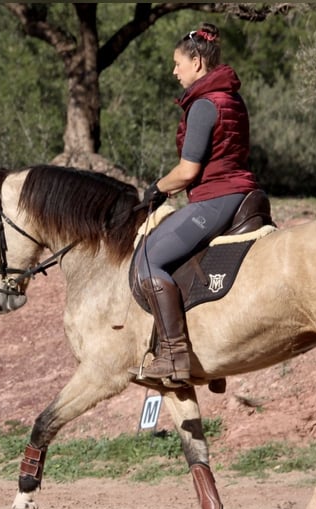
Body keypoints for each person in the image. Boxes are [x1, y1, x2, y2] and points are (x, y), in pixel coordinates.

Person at [130, 22, 260, 383]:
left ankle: (174, 354)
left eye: (178, 63)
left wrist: (157, 187)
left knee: (147, 260)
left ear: (198, 62)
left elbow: (188, 172)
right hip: (245, 194)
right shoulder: (232, 97)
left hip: (215, 198)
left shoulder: (204, 105)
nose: (174, 71)